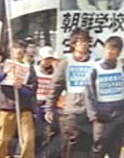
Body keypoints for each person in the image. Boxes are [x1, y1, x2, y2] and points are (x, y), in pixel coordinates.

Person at [85, 36, 124, 158]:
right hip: (101, 117)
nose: (110, 52)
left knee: (115, 150)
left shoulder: (122, 67)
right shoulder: (95, 68)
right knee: (98, 150)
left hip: (118, 116)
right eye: (108, 49)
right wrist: (93, 115)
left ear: (118, 52)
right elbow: (89, 94)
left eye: (114, 49)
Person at [45, 29, 94, 157]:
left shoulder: (95, 62)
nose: (83, 44)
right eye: (80, 42)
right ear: (73, 44)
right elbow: (55, 87)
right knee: (71, 144)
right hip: (72, 111)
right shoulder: (66, 63)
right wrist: (49, 108)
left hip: (92, 111)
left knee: (90, 145)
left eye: (86, 41)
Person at [0, 40, 37, 158]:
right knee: (3, 139)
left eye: (21, 48)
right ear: (10, 50)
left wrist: (21, 87)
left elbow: (33, 89)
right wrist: (5, 73)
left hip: (24, 108)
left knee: (28, 138)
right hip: (7, 107)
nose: (18, 51)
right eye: (16, 48)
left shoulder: (29, 68)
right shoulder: (3, 66)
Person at [35, 46, 61, 158]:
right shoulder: (34, 70)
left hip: (51, 106)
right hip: (36, 106)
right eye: (46, 59)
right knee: (37, 133)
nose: (48, 61)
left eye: (50, 59)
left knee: (51, 133)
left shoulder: (57, 72)